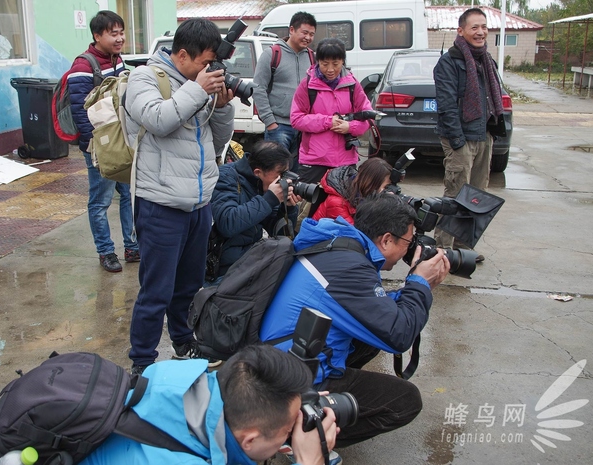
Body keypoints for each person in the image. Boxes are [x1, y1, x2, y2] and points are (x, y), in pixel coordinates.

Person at [260, 192, 450, 448]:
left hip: (280, 361)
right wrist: (419, 283)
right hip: (290, 382)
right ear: (386, 239)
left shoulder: (339, 245)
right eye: (408, 240)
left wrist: (414, 290)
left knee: (373, 334)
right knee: (406, 401)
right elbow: (399, 335)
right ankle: (302, 435)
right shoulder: (352, 268)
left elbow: (373, 307)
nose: (410, 248)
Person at [124, 18, 235, 374]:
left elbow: (216, 143)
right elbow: (158, 119)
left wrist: (220, 106)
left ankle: (184, 342)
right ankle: (142, 362)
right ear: (183, 55)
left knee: (188, 285)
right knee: (156, 290)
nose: (209, 70)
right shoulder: (144, 78)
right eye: (204, 63)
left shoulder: (196, 84)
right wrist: (199, 89)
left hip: (198, 203)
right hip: (160, 203)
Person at [80, 345, 339, 465]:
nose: (295, 430)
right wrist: (310, 462)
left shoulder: (181, 379)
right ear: (249, 440)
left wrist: (283, 412)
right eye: (289, 429)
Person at [67, 10, 139, 273]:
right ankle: (106, 251)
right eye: (113, 33)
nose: (120, 38)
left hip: (121, 140)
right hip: (100, 145)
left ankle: (132, 246)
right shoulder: (83, 66)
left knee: (128, 194)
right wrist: (94, 146)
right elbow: (79, 110)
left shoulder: (117, 60)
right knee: (100, 199)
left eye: (121, 33)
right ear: (97, 36)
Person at [433, 8, 506, 260]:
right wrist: (457, 142)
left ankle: (463, 249)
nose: (481, 32)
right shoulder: (449, 62)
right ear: (461, 31)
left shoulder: (487, 61)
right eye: (474, 27)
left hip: (484, 134)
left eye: (484, 27)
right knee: (455, 193)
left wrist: (493, 133)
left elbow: (491, 99)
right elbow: (447, 105)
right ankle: (443, 249)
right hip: (460, 138)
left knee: (476, 196)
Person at [208, 140, 302, 283]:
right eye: (280, 174)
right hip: (224, 266)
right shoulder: (226, 176)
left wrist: (288, 208)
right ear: (258, 172)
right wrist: (269, 199)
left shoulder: (263, 184)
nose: (283, 180)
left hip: (251, 259)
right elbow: (227, 223)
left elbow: (278, 234)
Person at [290, 37, 374, 184]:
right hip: (314, 161)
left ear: (343, 62)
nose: (330, 69)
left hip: (345, 160)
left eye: (335, 64)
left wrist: (350, 126)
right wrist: (328, 121)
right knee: (309, 206)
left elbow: (368, 117)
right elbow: (296, 119)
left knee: (344, 206)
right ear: (317, 62)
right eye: (324, 64)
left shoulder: (353, 85)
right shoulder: (307, 85)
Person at [253, 11, 317, 172]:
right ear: (291, 30)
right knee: (276, 173)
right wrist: (270, 122)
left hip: (303, 126)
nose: (308, 38)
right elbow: (258, 88)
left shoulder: (312, 58)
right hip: (279, 126)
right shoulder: (272, 54)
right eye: (304, 32)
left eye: (312, 34)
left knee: (298, 174)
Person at [311, 157, 392, 225]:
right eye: (384, 187)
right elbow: (355, 234)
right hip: (320, 241)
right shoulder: (337, 203)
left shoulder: (360, 193)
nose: (384, 191)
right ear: (372, 184)